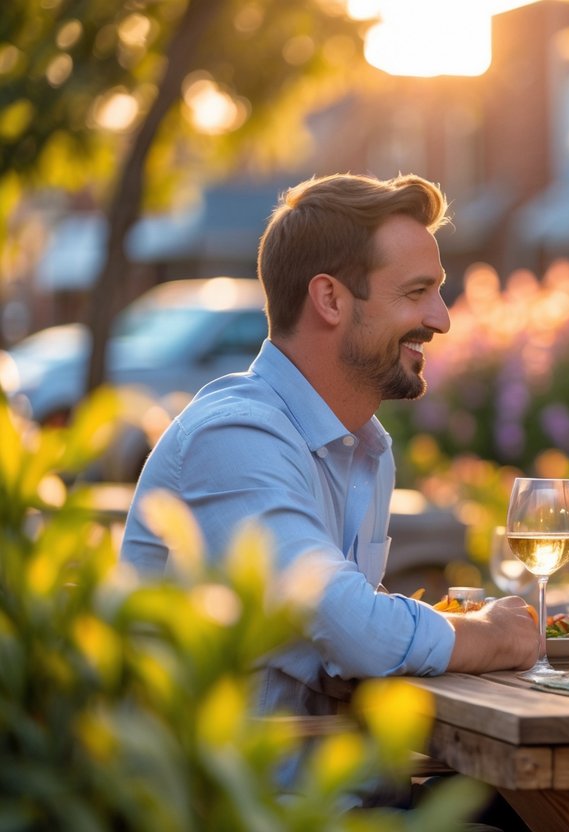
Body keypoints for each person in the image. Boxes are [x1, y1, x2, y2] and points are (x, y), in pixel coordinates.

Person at [121, 172, 540, 721]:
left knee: (539, 799)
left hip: (338, 791)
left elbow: (347, 630)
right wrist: (493, 634)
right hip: (250, 804)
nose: (442, 318)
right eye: (417, 292)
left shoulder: (364, 448)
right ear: (330, 299)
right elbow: (356, 631)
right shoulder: (234, 437)